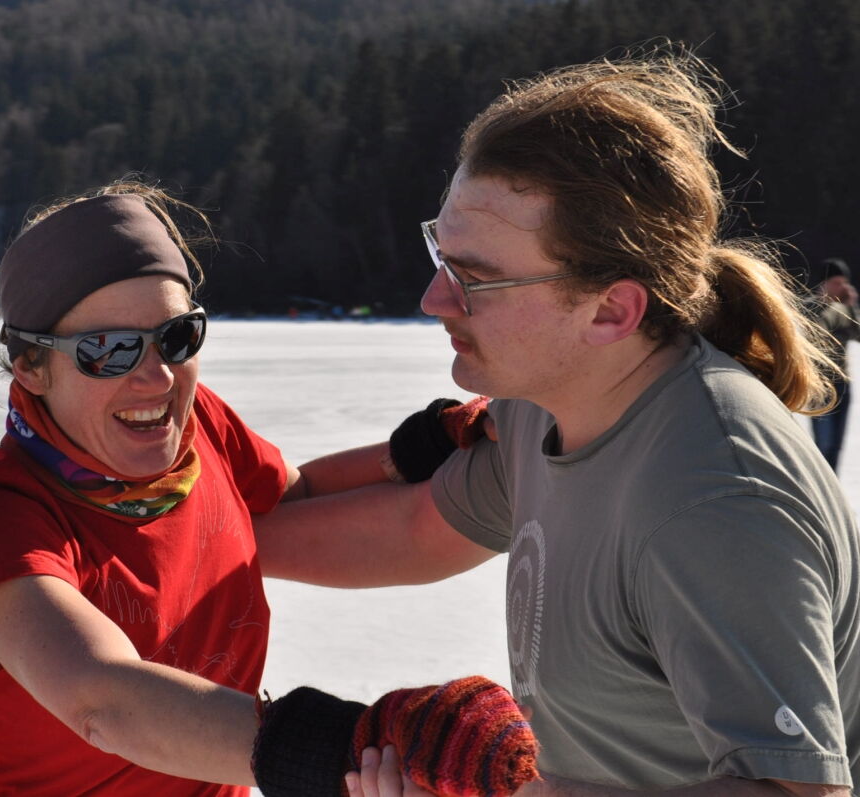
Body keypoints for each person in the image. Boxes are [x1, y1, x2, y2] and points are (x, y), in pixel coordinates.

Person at [255, 48, 860, 796]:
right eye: (442, 257)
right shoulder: (546, 406)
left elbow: (796, 792)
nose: (434, 300)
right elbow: (418, 527)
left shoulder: (713, 500)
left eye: (475, 279)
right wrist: (183, 550)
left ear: (611, 310)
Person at [0, 181, 534, 797]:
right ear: (31, 366)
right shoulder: (0, 513)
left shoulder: (198, 432)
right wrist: (355, 743)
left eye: (176, 337)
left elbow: (295, 494)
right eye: (108, 350)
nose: (157, 378)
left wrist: (420, 447)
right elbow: (101, 699)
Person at [810, 257, 859, 470]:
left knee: (836, 447)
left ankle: (833, 486)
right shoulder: (811, 307)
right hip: (820, 385)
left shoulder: (844, 310)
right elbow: (816, 332)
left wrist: (851, 306)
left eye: (844, 283)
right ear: (824, 283)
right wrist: (825, 302)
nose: (841, 287)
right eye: (836, 282)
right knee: (824, 444)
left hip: (842, 383)